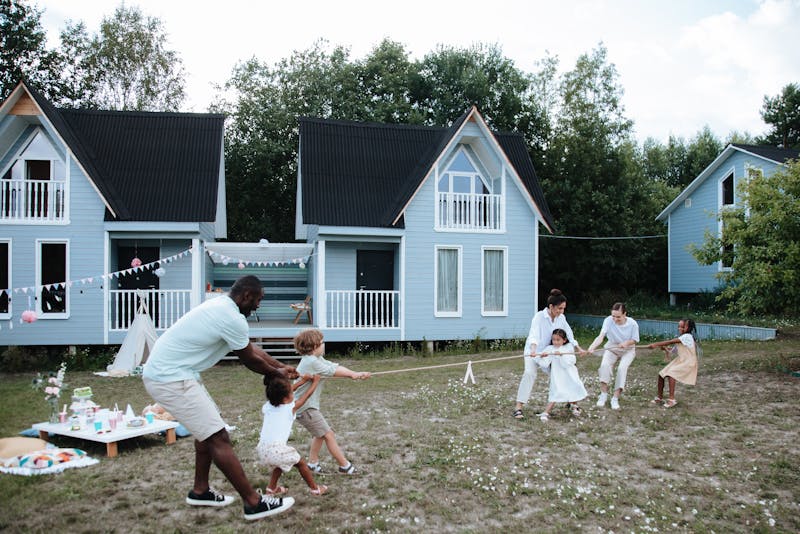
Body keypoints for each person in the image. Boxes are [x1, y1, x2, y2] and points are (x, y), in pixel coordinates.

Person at [142, 275, 299, 521]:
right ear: (246, 296)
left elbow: (250, 348)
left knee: (206, 432)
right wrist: (275, 374)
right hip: (170, 378)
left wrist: (279, 366)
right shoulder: (231, 317)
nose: (258, 306)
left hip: (177, 374)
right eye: (258, 300)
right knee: (218, 436)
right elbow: (249, 359)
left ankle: (200, 490)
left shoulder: (221, 307)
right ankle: (253, 503)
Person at [293, 328, 370, 475]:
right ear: (314, 346)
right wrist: (354, 375)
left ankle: (312, 464)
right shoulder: (311, 362)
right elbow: (332, 372)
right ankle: (345, 466)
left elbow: (334, 367)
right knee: (328, 435)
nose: (324, 344)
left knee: (320, 434)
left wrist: (355, 374)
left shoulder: (315, 359)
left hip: (307, 406)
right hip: (305, 408)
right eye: (322, 342)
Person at [513, 289, 582, 419]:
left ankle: (573, 403)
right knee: (529, 373)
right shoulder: (539, 317)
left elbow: (569, 334)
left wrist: (578, 347)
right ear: (551, 306)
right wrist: (534, 350)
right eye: (559, 308)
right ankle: (518, 407)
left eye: (563, 308)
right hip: (534, 352)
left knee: (565, 373)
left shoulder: (561, 318)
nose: (562, 311)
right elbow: (534, 335)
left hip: (551, 352)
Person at [257, 374, 328, 497]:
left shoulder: (268, 406)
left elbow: (289, 390)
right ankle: (315, 489)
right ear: (285, 398)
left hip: (262, 449)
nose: (293, 393)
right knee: (301, 464)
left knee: (280, 463)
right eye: (291, 393)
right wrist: (315, 382)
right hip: (276, 449)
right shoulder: (291, 408)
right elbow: (306, 396)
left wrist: (303, 381)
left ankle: (271, 489)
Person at [586, 302, 640, 410]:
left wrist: (626, 343)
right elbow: (601, 336)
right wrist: (592, 347)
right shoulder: (608, 320)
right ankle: (603, 394)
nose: (615, 319)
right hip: (612, 346)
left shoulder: (633, 324)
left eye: (618, 317)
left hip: (628, 349)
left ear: (625, 314)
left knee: (621, 369)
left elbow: (635, 340)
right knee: (604, 366)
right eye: (613, 316)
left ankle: (615, 398)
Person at [535, 329, 588, 421]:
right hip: (558, 375)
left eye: (558, 340)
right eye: (553, 339)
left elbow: (571, 361)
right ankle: (546, 411)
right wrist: (541, 356)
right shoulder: (550, 349)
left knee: (573, 388)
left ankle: (574, 406)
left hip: (570, 373)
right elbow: (544, 364)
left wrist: (562, 355)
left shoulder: (568, 347)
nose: (555, 342)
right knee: (556, 391)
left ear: (564, 340)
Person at [648, 318, 700, 408]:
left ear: (689, 328)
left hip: (688, 362)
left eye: (683, 326)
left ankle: (672, 400)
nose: (680, 328)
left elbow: (671, 341)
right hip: (680, 361)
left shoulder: (687, 337)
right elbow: (673, 351)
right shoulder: (681, 339)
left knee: (671, 374)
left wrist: (656, 344)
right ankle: (659, 398)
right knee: (661, 375)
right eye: (679, 326)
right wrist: (665, 348)